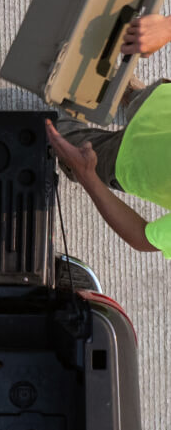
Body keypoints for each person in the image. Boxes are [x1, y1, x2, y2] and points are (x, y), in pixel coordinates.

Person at [44, 13, 171, 258]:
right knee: (142, 98)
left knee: (57, 136)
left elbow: (142, 237)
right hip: (161, 104)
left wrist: (87, 175)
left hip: (131, 162)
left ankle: (68, 152)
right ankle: (125, 89)